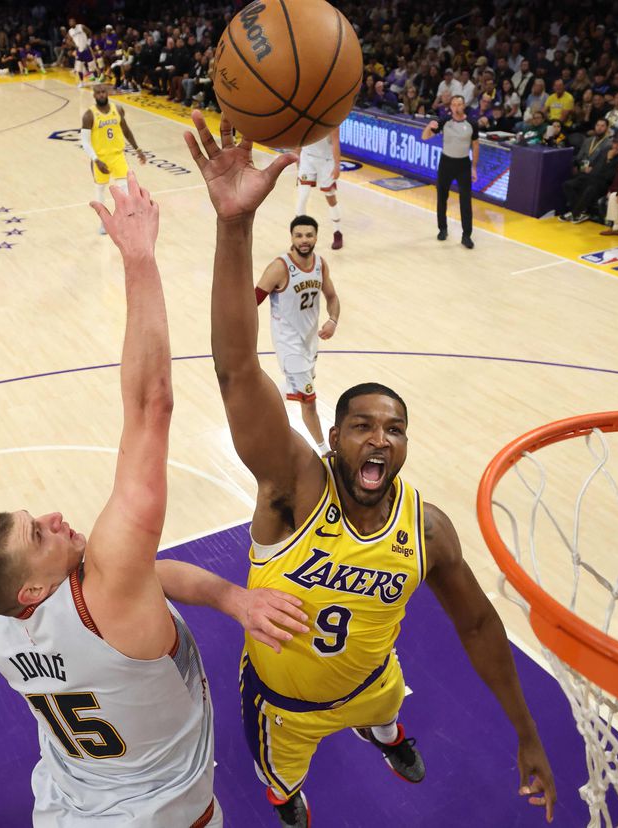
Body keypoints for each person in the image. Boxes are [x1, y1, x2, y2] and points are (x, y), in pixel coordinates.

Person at [183, 110, 557, 828]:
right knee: (281, 786)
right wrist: (234, 228)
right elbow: (235, 370)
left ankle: (385, 736)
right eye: (362, 426)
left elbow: (478, 625)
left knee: (387, 709)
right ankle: (289, 791)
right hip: (282, 706)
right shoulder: (294, 487)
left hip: (372, 682)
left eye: (395, 429)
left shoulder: (429, 529)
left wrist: (527, 732)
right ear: (334, 441)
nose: (379, 440)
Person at [0, 179, 308, 827]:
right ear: (31, 589)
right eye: (39, 536)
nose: (56, 518)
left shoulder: (0, 630)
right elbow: (151, 406)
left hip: (66, 803)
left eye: (35, 517)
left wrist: (232, 598)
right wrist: (140, 260)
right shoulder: (104, 589)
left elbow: (146, 582)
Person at [255, 215, 341, 456]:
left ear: (315, 237)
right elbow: (252, 301)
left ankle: (258, 414)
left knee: (296, 387)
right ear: (291, 237)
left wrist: (333, 321)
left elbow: (332, 297)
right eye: (299, 235)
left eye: (309, 235)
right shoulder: (279, 267)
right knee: (308, 400)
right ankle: (325, 451)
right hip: (288, 345)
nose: (304, 240)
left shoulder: (320, 264)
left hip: (310, 342)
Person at [83, 85, 147, 236]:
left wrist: (138, 149)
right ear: (94, 95)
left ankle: (128, 222)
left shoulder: (118, 109)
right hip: (100, 158)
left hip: (118, 156)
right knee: (100, 191)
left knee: (125, 191)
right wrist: (96, 160)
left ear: (108, 93)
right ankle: (104, 223)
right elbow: (85, 142)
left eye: (103, 91)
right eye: (97, 92)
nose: (101, 94)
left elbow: (126, 130)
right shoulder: (89, 115)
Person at [422, 94, 480, 249]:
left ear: (464, 105)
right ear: (451, 107)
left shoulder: (472, 124)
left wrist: (474, 167)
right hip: (446, 163)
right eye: (453, 105)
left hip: (463, 165)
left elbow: (475, 146)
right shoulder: (444, 121)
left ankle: (466, 235)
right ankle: (443, 229)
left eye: (459, 104)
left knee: (465, 201)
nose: (456, 107)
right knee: (442, 197)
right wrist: (428, 126)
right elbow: (425, 137)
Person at [293, 132, 344, 250]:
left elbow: (335, 141)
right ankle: (299, 237)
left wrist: (337, 165)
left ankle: (337, 232)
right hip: (307, 158)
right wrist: (297, 156)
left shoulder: (330, 116)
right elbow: (299, 137)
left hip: (326, 160)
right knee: (302, 197)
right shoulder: (303, 117)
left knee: (330, 196)